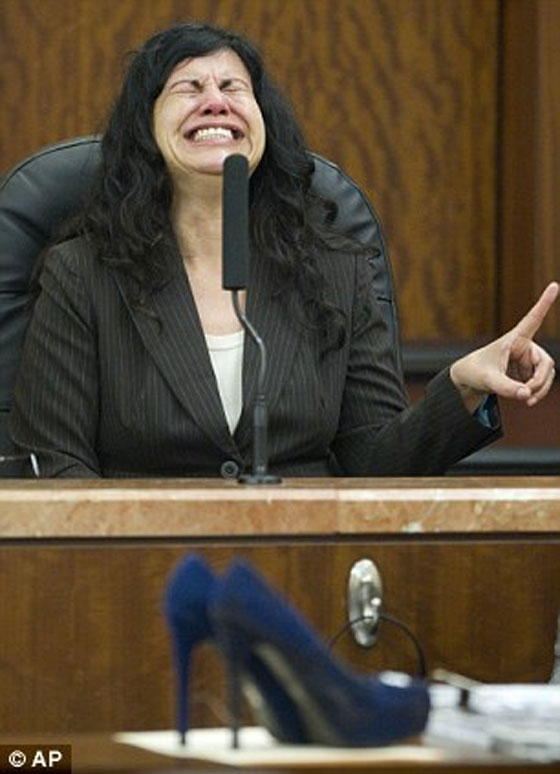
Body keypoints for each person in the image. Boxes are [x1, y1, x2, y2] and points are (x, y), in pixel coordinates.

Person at [8, 22, 558, 479]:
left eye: (234, 87)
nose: (215, 102)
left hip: (303, 559)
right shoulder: (82, 274)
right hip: (146, 563)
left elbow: (375, 463)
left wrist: (462, 384)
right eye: (188, 89)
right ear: (146, 128)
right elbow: (57, 465)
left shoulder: (334, 270)